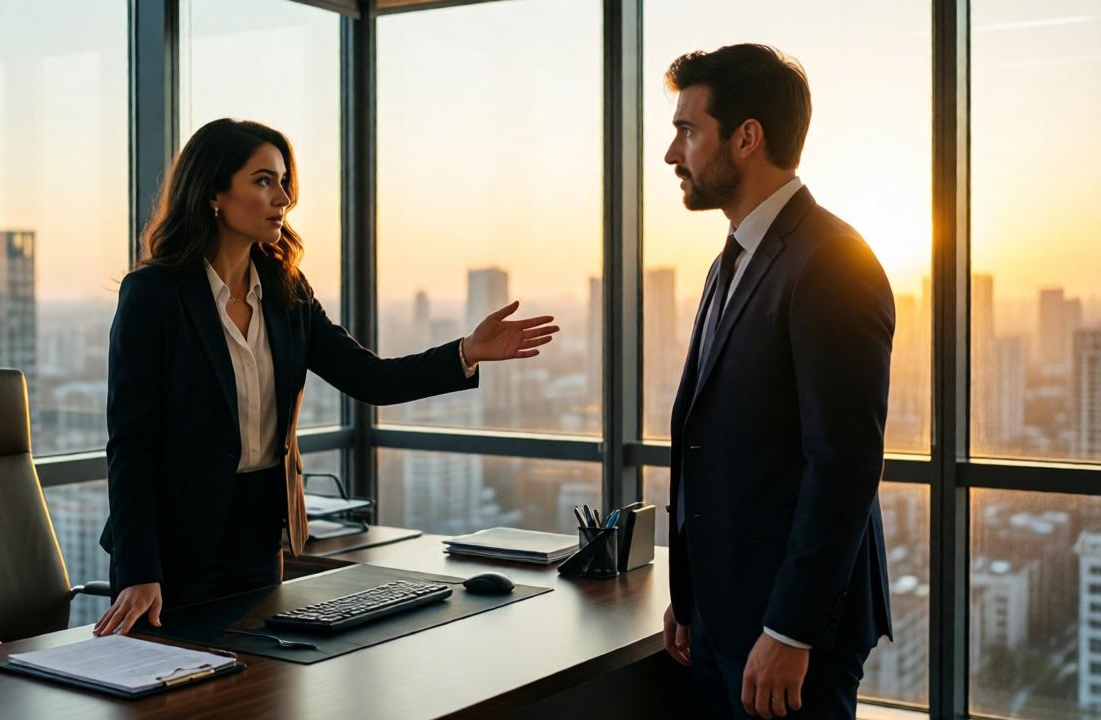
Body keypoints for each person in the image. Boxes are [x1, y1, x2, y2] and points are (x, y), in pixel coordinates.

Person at [94, 118, 559, 636]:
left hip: (257, 535)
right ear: (214, 194)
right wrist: (139, 569)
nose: (284, 198)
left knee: (261, 694)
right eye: (264, 180)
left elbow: (370, 378)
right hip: (170, 547)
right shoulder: (154, 294)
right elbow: (131, 443)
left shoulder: (285, 290)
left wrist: (467, 352)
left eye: (284, 181)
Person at [658, 45, 894, 718]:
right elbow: (719, 443)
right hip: (725, 619)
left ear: (747, 137)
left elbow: (843, 464)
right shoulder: (730, 259)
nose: (673, 155)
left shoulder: (832, 260)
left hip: (789, 637)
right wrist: (693, 594)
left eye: (687, 130)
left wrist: (791, 629)